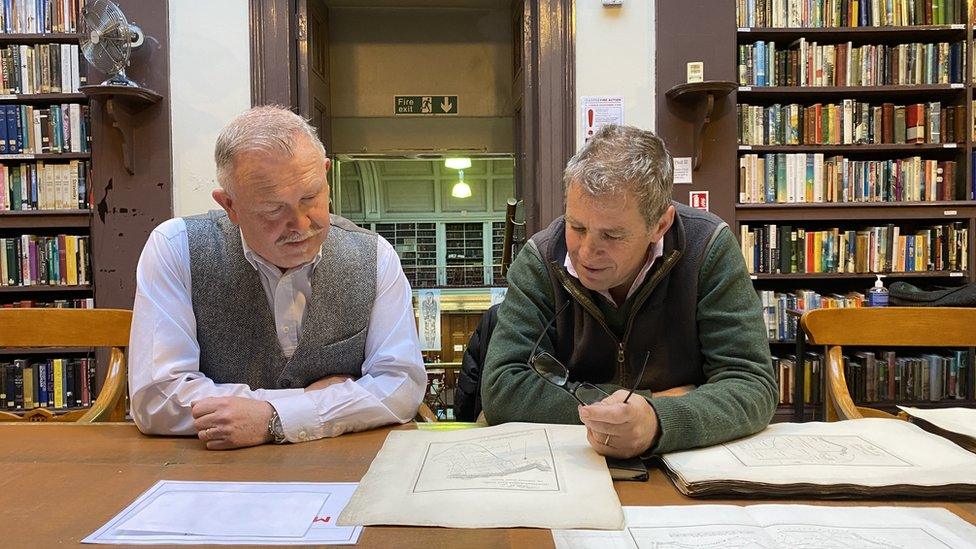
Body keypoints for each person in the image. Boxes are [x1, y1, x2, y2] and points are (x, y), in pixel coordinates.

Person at [128, 106, 426, 450]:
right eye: (273, 209)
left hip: (340, 469)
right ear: (230, 205)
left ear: (325, 174)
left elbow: (401, 384)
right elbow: (156, 398)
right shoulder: (175, 247)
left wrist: (273, 418)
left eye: (310, 198)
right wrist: (304, 404)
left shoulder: (375, 256)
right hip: (215, 477)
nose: (300, 225)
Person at [481, 124, 777, 459]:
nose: (586, 252)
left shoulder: (707, 248)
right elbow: (502, 389)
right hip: (571, 466)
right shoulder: (540, 258)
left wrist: (655, 423)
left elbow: (752, 385)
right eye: (576, 227)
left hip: (683, 464)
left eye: (612, 235)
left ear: (660, 225)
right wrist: (653, 403)